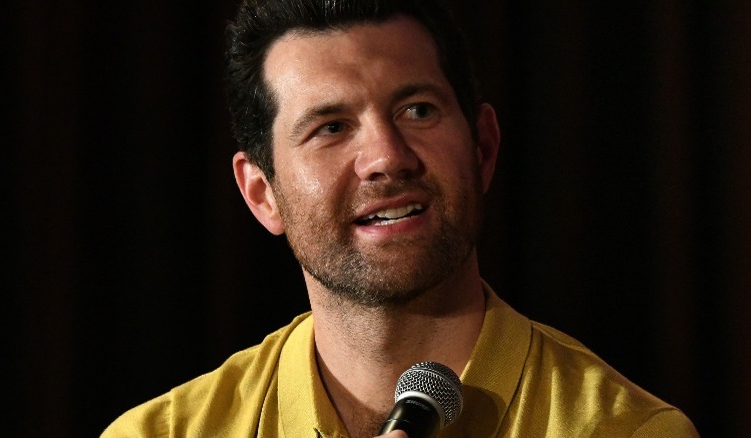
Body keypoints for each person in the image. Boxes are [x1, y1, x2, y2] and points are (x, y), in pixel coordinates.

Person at [102, 0, 699, 436]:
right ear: (263, 195)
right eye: (330, 128)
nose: (387, 157)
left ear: (483, 149)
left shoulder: (627, 430)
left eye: (417, 110)